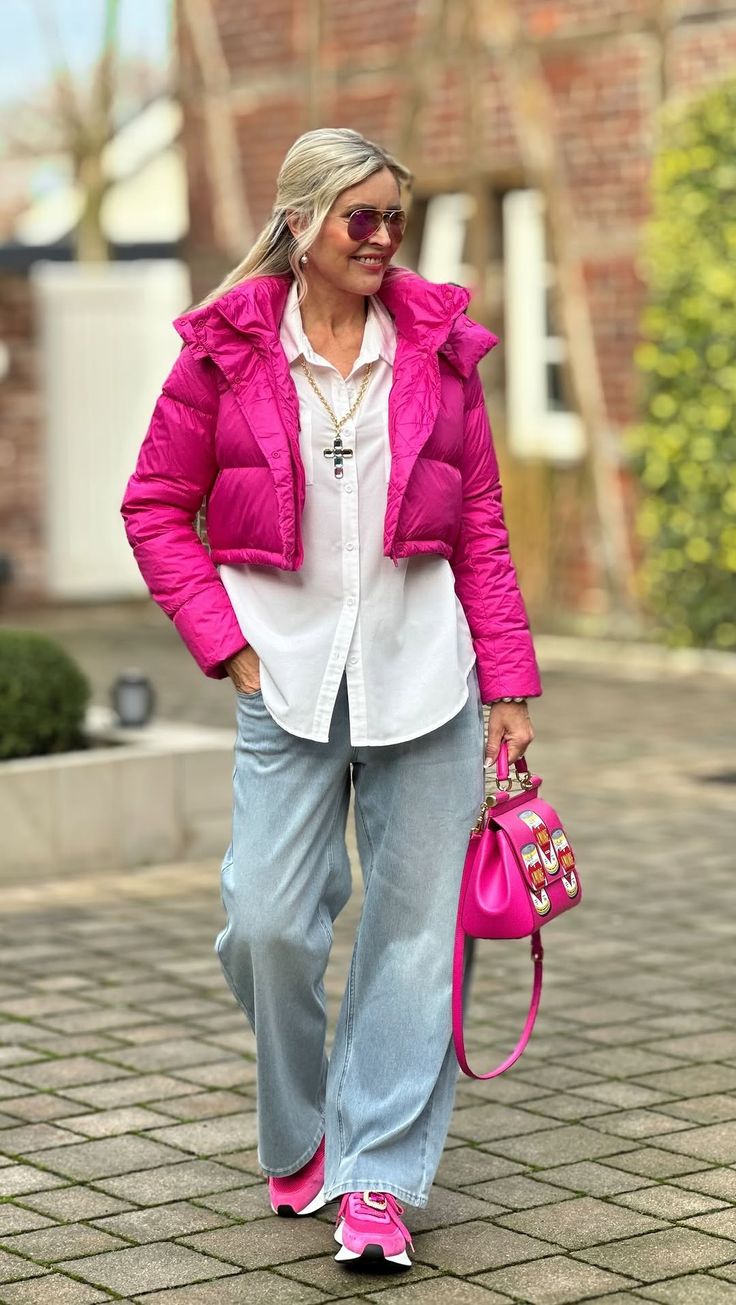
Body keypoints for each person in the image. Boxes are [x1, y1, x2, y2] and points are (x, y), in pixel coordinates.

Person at [121, 126, 541, 1273]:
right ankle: (303, 1124)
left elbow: (479, 525)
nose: (382, 238)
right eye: (362, 216)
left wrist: (507, 681)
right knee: (264, 925)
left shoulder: (438, 351)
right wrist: (227, 647)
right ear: (300, 222)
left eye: (395, 217)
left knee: (413, 943)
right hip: (287, 679)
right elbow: (153, 505)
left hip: (426, 679)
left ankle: (376, 1182)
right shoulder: (223, 354)